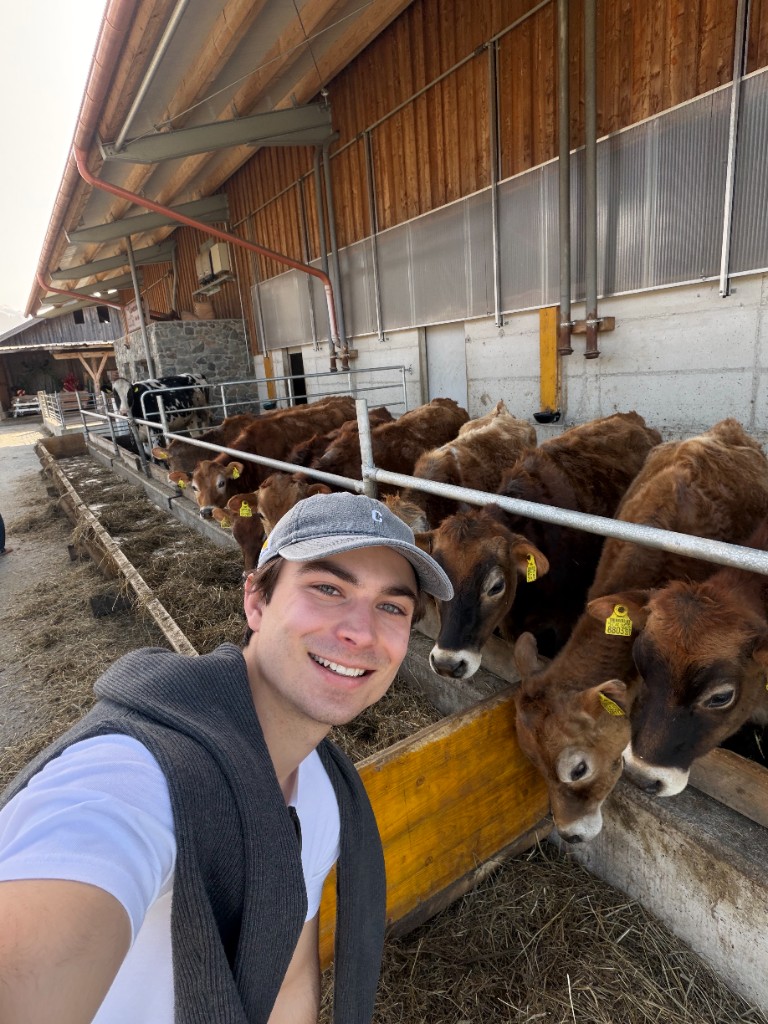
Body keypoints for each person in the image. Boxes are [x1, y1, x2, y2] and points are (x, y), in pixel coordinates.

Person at [0, 491, 452, 1024]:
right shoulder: (137, 775)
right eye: (328, 588)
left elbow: (285, 982)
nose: (361, 631)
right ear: (256, 602)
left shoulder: (320, 793)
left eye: (392, 606)